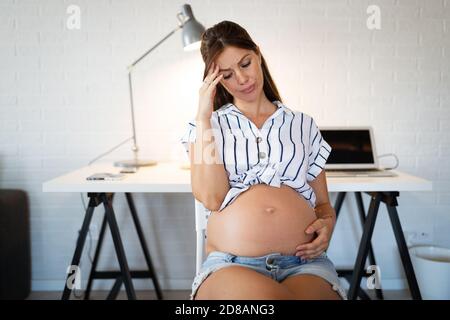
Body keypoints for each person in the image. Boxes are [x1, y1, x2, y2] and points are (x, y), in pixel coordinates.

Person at [180, 20, 347, 300]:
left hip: (304, 264)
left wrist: (327, 225)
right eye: (227, 74)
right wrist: (203, 117)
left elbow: (323, 206)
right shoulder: (207, 127)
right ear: (215, 80)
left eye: (245, 64)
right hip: (230, 265)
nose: (242, 79)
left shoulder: (302, 124)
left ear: (257, 54)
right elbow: (211, 198)